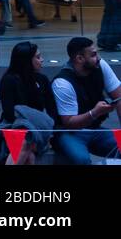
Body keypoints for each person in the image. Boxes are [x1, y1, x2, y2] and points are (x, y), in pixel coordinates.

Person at [51, 36, 121, 164]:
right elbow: (69, 123)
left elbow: (119, 97)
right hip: (68, 133)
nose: (98, 58)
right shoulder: (62, 83)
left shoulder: (100, 66)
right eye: (93, 55)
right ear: (79, 58)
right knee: (82, 160)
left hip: (95, 129)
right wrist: (94, 113)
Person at [0, 41, 57, 165]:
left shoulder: (42, 80)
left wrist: (50, 130)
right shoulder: (9, 80)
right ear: (26, 60)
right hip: (13, 126)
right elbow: (9, 113)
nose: (42, 60)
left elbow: (52, 109)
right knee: (27, 150)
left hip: (38, 128)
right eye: (38, 57)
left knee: (27, 143)